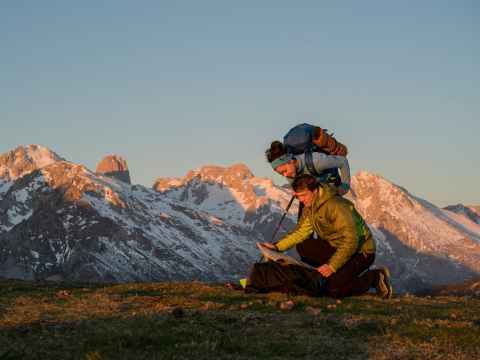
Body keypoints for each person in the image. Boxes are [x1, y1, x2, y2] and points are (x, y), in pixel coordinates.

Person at [262, 174, 393, 299]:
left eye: (303, 195)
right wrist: (276, 247)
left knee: (332, 289)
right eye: (298, 196)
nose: (301, 200)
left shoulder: (337, 206)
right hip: (336, 247)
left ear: (314, 190)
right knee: (304, 246)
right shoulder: (311, 206)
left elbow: (352, 241)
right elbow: (301, 232)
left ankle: (374, 277)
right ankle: (340, 274)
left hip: (361, 252)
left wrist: (332, 266)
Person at [266, 140, 351, 196]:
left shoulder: (317, 161)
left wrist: (345, 186)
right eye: (281, 174)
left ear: (290, 161)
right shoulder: (291, 174)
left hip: (331, 187)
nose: (285, 175)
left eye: (284, 171)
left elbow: (343, 161)